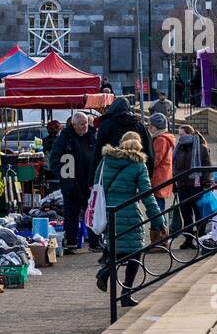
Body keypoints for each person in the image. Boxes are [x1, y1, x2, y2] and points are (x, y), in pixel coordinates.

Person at [96, 132, 165, 309]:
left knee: (116, 247)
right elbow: (147, 196)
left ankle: (105, 273)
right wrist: (158, 220)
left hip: (109, 211)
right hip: (129, 212)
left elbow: (97, 184)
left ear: (121, 143)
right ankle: (126, 293)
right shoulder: (138, 164)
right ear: (138, 146)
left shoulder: (106, 160)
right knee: (135, 253)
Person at [49, 111, 98, 254]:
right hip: (71, 185)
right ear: (74, 125)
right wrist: (65, 178)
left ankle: (95, 243)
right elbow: (54, 161)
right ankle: (71, 243)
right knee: (71, 215)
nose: (85, 127)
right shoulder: (65, 139)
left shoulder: (91, 136)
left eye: (86, 124)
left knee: (92, 214)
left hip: (89, 183)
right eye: (81, 124)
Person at [172, 124, 211, 247]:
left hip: (197, 187)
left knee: (199, 215)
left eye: (182, 134)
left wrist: (206, 186)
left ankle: (201, 239)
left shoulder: (201, 149)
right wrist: (174, 185)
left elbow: (208, 169)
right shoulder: (178, 149)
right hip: (182, 187)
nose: (180, 137)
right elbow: (174, 168)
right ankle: (188, 240)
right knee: (186, 216)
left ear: (189, 134)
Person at [148, 112, 176, 233]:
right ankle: (159, 234)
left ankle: (159, 235)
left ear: (156, 126)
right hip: (163, 176)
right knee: (158, 206)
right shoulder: (164, 138)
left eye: (151, 125)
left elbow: (156, 159)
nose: (149, 127)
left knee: (156, 207)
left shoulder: (161, 139)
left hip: (159, 177)